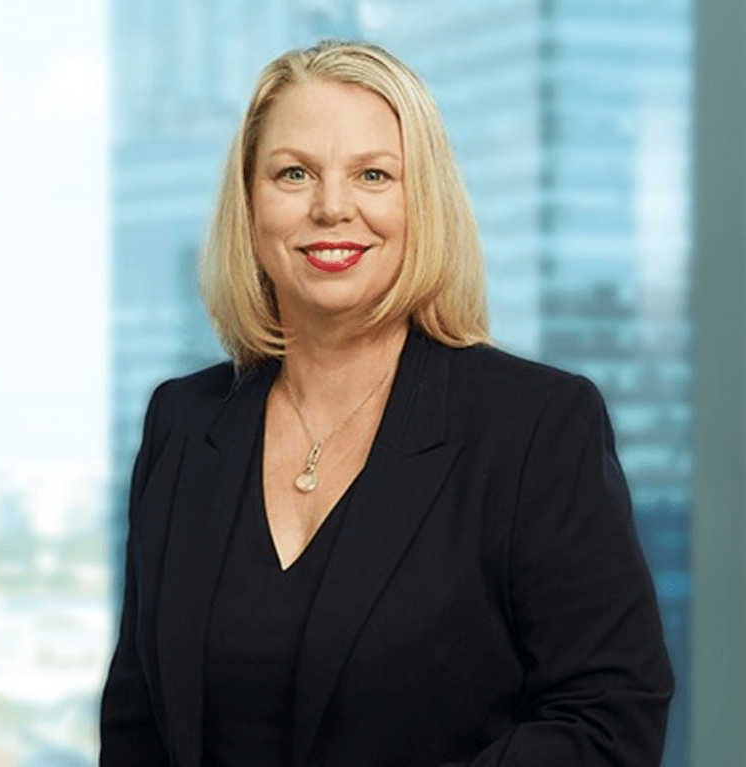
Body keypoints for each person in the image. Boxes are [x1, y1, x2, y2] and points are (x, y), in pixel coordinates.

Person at [99, 40, 673, 767]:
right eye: (293, 173)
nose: (330, 206)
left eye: (373, 174)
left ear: (419, 202)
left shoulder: (535, 426)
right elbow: (136, 722)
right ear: (248, 203)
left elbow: (607, 720)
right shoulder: (181, 422)